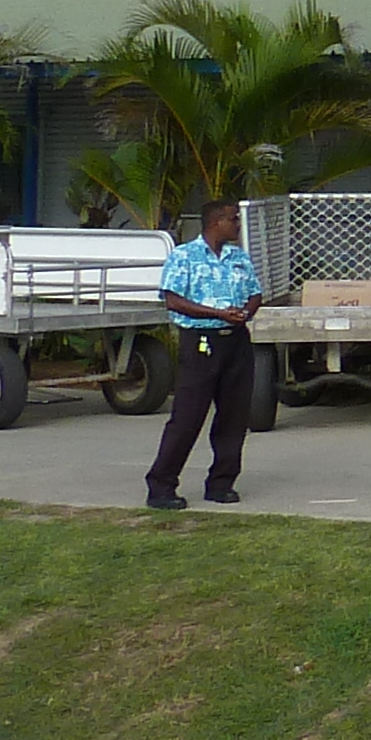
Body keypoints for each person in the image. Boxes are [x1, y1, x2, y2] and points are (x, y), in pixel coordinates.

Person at [143, 199, 263, 510]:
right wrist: (216, 313)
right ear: (216, 222)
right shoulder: (185, 256)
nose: (237, 225)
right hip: (201, 341)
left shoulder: (239, 257)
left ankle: (222, 483)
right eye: (233, 219)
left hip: (235, 341)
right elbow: (173, 300)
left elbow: (255, 292)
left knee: (234, 416)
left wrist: (245, 313)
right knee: (188, 417)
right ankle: (161, 486)